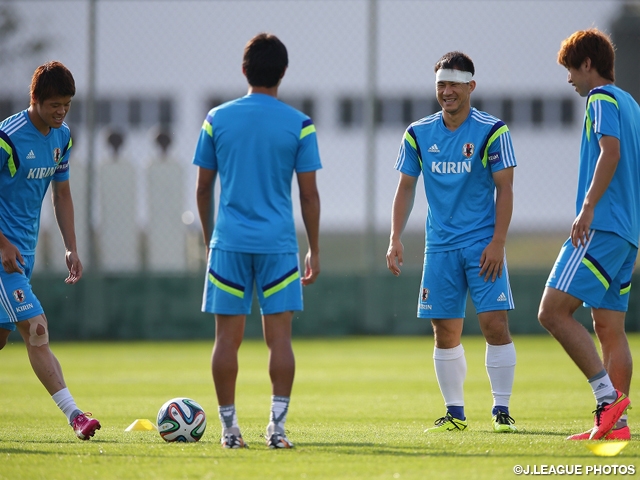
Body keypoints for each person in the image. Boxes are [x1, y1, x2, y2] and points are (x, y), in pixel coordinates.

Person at [193, 33, 321, 449]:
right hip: (278, 245)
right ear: (283, 72)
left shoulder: (216, 118)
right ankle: (277, 428)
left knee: (225, 340)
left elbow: (202, 188)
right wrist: (314, 249)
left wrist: (212, 239)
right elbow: (308, 195)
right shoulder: (300, 124)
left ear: (244, 70)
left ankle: (230, 431)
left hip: (228, 243)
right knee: (279, 340)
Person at [386, 51, 518, 433]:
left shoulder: (492, 130)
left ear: (470, 87)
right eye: (441, 84)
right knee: (445, 331)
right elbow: (405, 187)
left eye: (454, 84)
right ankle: (455, 413)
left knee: (495, 324)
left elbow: (505, 188)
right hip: (439, 247)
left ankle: (502, 411)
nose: (447, 92)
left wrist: (499, 241)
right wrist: (395, 237)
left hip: (482, 245)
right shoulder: (417, 133)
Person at [538, 28, 637, 441]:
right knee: (609, 328)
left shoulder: (600, 99)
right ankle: (617, 425)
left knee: (552, 311)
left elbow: (609, 151)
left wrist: (588, 206)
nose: (569, 80)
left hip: (602, 228)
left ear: (588, 64)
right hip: (628, 234)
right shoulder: (631, 102)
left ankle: (606, 397)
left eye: (571, 70)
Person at [0, 61, 101, 440]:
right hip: (2, 256)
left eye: (67, 105)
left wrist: (71, 246)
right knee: (37, 329)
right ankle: (76, 416)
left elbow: (61, 194)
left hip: (20, 256)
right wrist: (3, 243)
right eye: (54, 104)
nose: (61, 112)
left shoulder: (62, 138)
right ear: (35, 100)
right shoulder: (7, 139)